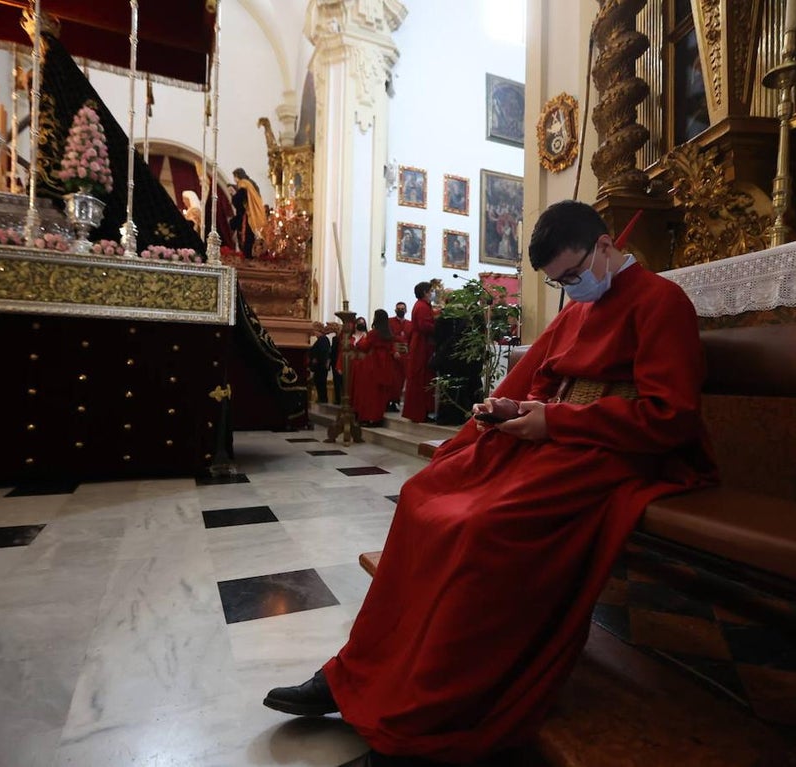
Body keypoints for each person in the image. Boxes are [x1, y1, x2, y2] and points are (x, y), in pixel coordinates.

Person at [263, 200, 719, 767]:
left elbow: (668, 416)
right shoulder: (581, 307)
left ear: (605, 246)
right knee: (423, 496)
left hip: (617, 449)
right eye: (558, 283)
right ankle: (356, 672)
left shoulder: (662, 301)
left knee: (481, 524)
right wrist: (504, 407)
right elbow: (540, 377)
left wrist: (554, 420)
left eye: (573, 275)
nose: (570, 289)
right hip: (559, 437)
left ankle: (431, 702)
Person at [350, 310, 401, 427]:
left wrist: (358, 343)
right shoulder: (389, 333)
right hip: (386, 364)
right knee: (381, 394)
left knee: (370, 393)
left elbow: (365, 346)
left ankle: (370, 418)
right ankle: (378, 417)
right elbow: (392, 348)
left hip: (374, 364)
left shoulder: (374, 333)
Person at [401, 282, 437, 423]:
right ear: (424, 292)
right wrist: (438, 324)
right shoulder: (422, 306)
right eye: (430, 291)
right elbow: (424, 326)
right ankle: (420, 412)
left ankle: (421, 411)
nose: (432, 293)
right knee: (421, 378)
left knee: (422, 378)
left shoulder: (421, 305)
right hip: (422, 345)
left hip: (422, 344)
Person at [228, 167, 266, 257]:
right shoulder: (251, 183)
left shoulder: (243, 184)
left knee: (249, 237)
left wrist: (233, 195)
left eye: (234, 177)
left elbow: (239, 201)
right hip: (256, 212)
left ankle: (249, 255)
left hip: (250, 214)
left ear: (237, 176)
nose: (235, 180)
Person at [387, 302, 411, 411]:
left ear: (406, 311)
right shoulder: (390, 321)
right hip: (393, 355)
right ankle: (389, 401)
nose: (400, 310)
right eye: (398, 308)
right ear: (395, 310)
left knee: (401, 379)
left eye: (402, 308)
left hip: (405, 356)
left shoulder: (410, 324)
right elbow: (388, 338)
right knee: (392, 379)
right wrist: (393, 351)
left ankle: (396, 401)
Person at [309, 322, 332, 404]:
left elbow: (322, 353)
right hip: (320, 366)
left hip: (321, 366)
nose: (314, 332)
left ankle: (322, 399)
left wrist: (315, 360)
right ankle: (321, 398)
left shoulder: (323, 339)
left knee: (321, 383)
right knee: (319, 382)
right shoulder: (322, 339)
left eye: (314, 330)